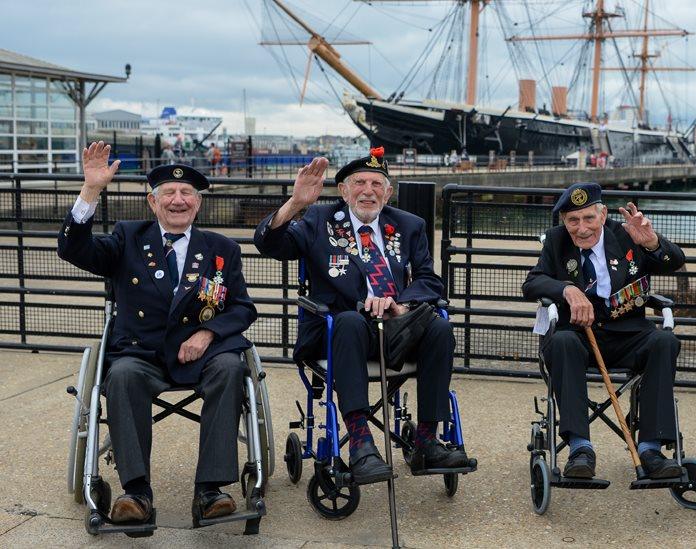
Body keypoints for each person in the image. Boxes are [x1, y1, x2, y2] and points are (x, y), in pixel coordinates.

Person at [57, 141, 257, 524]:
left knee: (231, 369)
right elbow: (72, 249)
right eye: (168, 193)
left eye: (186, 194)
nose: (178, 200)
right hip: (141, 355)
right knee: (122, 375)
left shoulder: (222, 249)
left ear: (198, 204)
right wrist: (91, 190)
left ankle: (211, 491)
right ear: (153, 202)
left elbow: (242, 307)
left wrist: (208, 334)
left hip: (201, 357)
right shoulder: (128, 237)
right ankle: (137, 493)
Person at [254, 147, 473, 484]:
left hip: (397, 329)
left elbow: (429, 280)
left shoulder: (409, 225)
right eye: (359, 182)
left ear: (388, 192)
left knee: (440, 329)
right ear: (344, 190)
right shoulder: (317, 220)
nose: (367, 190)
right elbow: (269, 245)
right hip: (341, 333)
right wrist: (296, 204)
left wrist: (404, 305)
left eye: (376, 183)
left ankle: (427, 441)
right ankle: (360, 442)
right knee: (350, 320)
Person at [522, 183, 686, 479]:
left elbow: (675, 261)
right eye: (573, 220)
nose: (581, 228)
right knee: (561, 342)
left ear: (603, 214)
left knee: (665, 340)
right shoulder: (557, 241)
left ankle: (650, 448)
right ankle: (580, 448)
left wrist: (651, 242)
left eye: (588, 218)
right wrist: (567, 289)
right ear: (564, 222)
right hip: (578, 337)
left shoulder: (626, 235)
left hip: (629, 333)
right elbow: (532, 283)